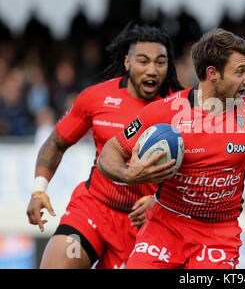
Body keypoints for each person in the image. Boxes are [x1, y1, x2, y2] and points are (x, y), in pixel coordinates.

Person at [97, 28, 245, 269]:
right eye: (240, 72)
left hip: (218, 236)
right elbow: (112, 150)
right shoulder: (164, 112)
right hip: (165, 227)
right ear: (212, 73)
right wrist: (127, 174)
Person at [26, 22, 184, 269]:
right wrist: (38, 189)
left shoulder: (182, 108)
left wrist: (160, 202)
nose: (152, 69)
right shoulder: (96, 97)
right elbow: (57, 142)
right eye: (143, 61)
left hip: (147, 224)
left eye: (160, 62)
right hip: (94, 209)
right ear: (128, 62)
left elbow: (198, 172)